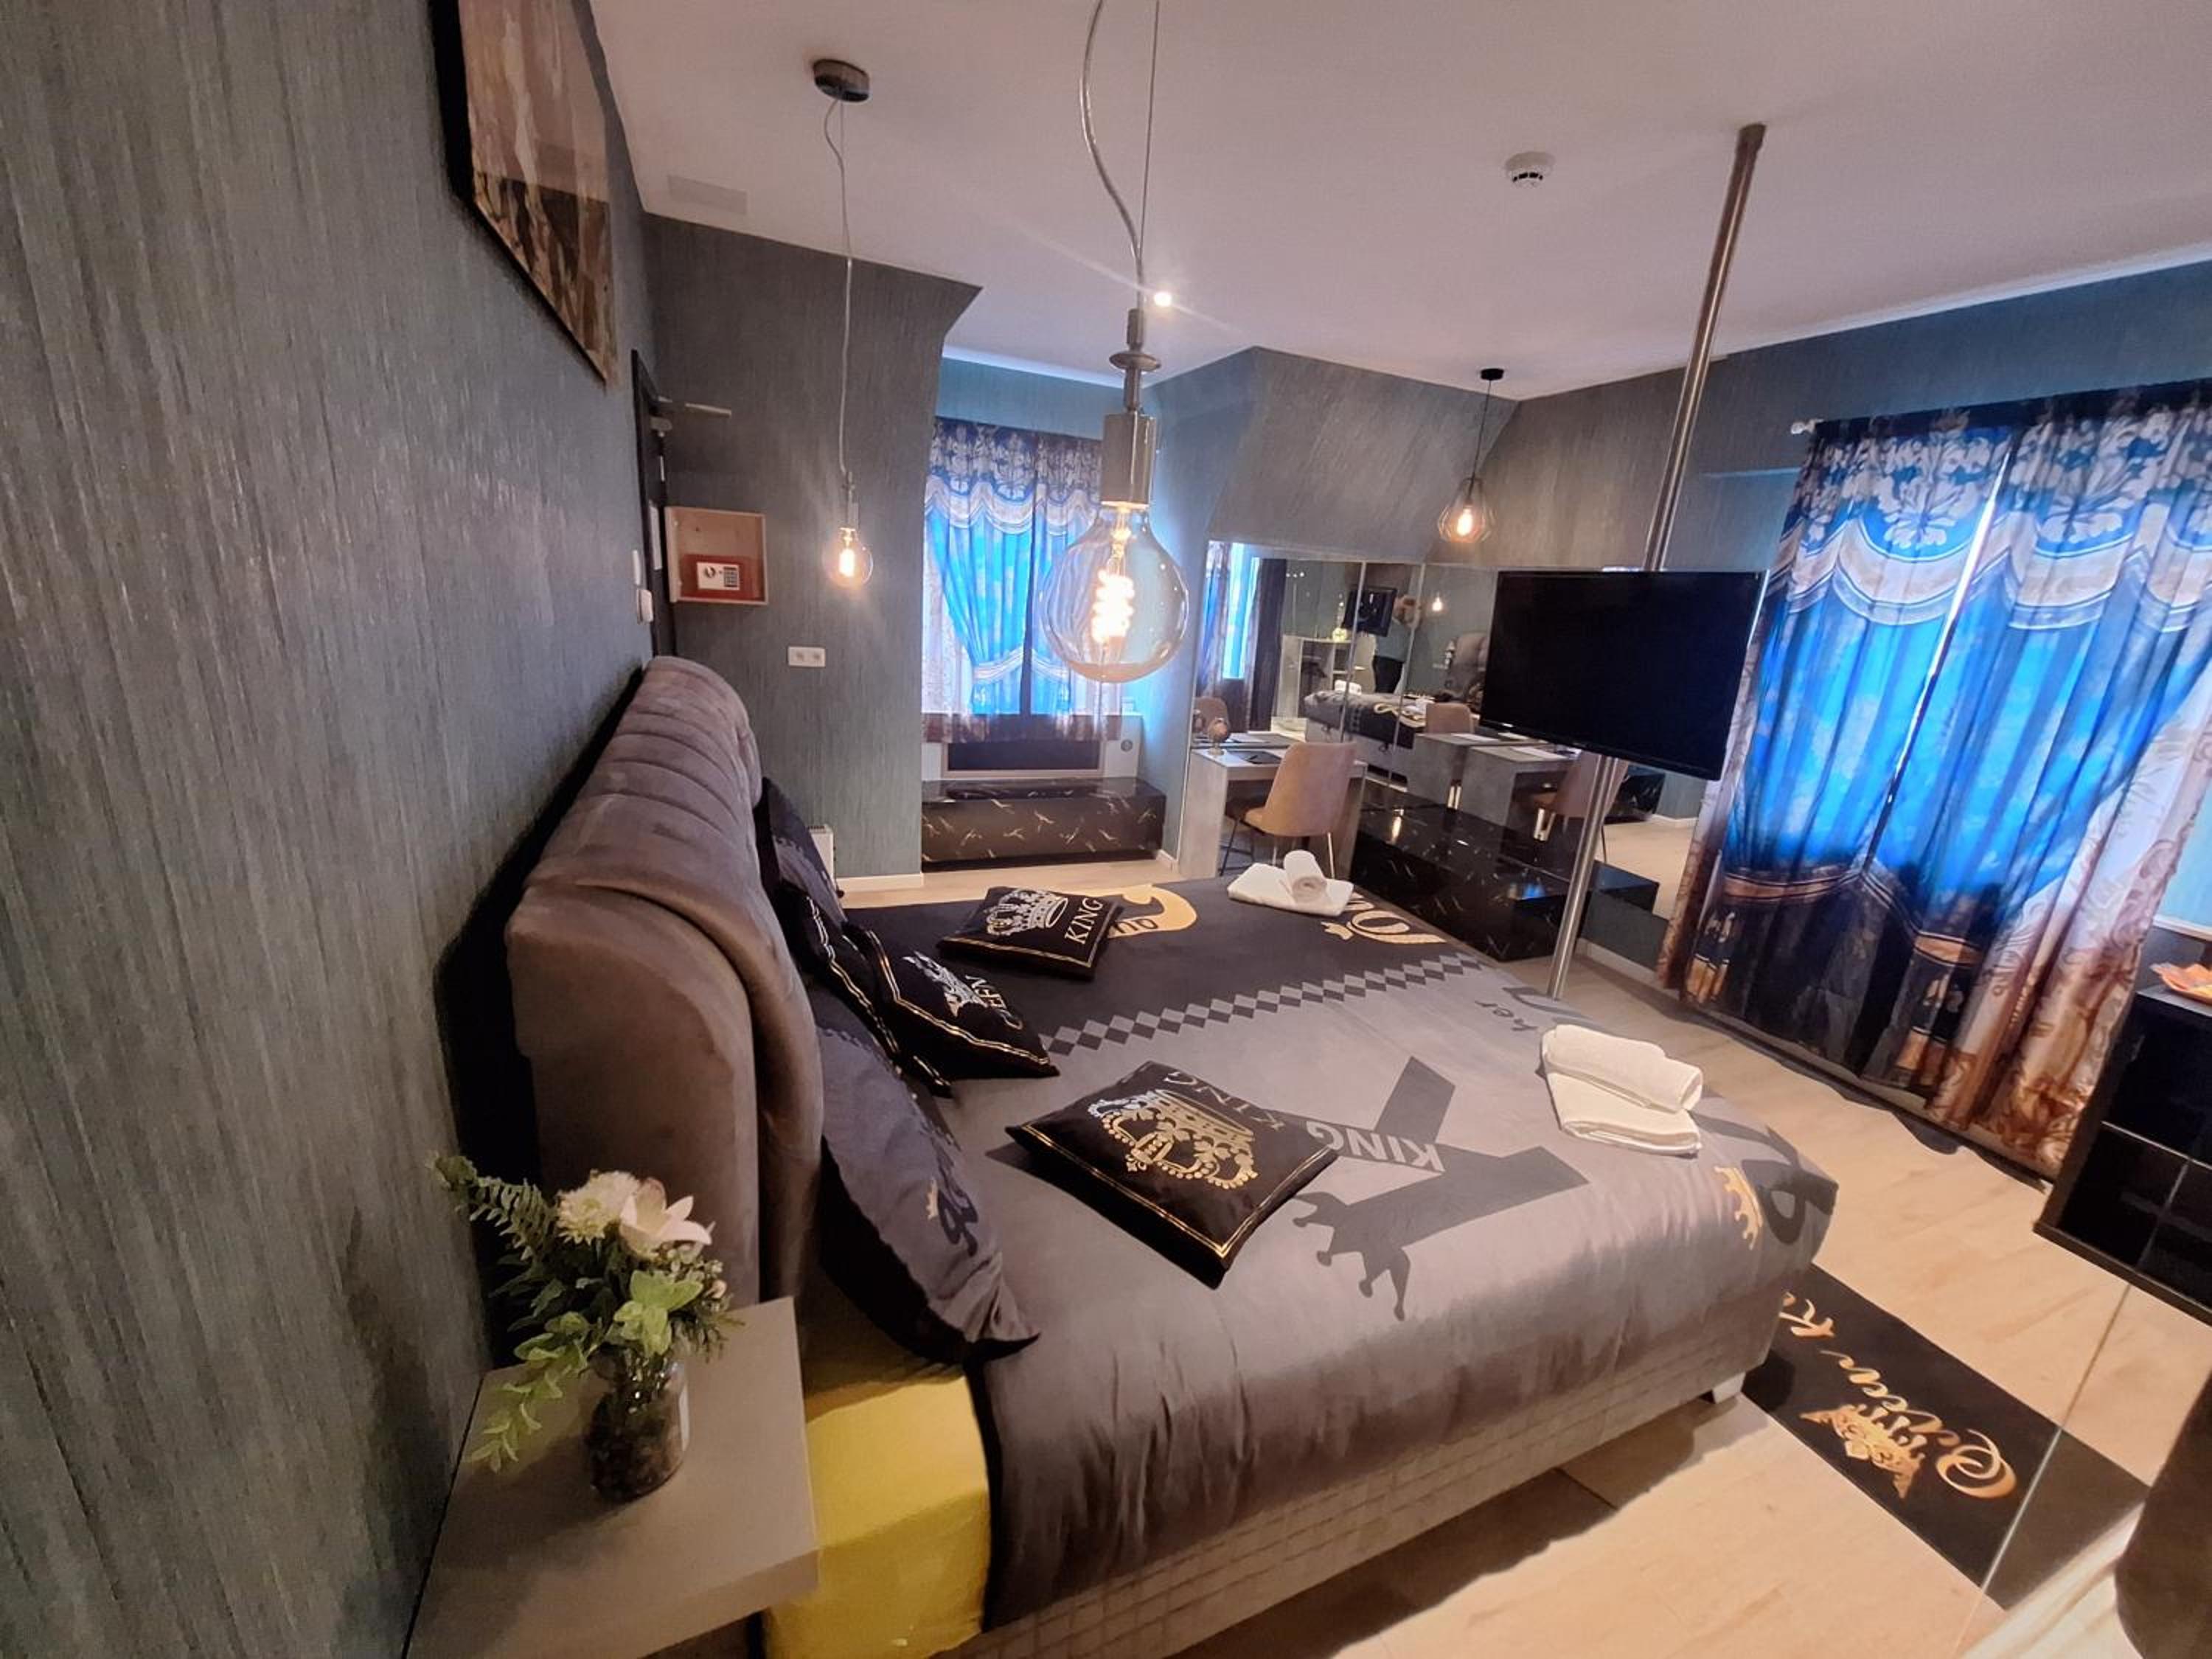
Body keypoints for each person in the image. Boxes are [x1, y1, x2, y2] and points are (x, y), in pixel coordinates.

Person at [1374, 595, 1419, 694]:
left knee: (1389, 690)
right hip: (1385, 660)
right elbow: (1384, 611)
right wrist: (1401, 602)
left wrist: (1417, 607)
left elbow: (1415, 624)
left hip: (1396, 662)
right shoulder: (1386, 623)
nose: (1401, 611)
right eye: (1399, 609)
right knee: (1383, 690)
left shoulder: (1404, 627)